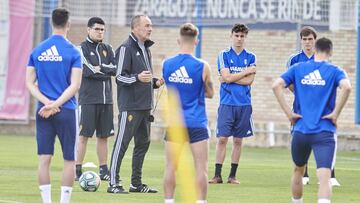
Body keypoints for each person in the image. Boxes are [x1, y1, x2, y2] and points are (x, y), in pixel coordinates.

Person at [272, 37, 351, 203]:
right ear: (330, 52)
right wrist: (335, 113)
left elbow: (276, 85)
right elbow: (347, 87)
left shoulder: (298, 68)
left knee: (298, 172)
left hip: (301, 130)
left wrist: (289, 114)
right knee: (324, 177)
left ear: (315, 50)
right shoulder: (335, 70)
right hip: (325, 131)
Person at [25, 8, 82, 203]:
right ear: (68, 24)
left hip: (43, 111)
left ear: (51, 23)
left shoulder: (38, 50)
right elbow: (75, 85)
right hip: (66, 110)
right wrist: (56, 104)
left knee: (44, 159)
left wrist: (47, 103)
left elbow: (29, 83)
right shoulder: (74, 51)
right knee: (69, 160)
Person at [107, 14, 163, 194]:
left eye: (151, 25)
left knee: (142, 145)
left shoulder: (146, 48)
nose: (150, 28)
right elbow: (119, 76)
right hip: (130, 107)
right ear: (135, 28)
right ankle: (113, 183)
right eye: (147, 25)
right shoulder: (125, 48)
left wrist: (154, 82)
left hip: (145, 107)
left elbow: (143, 78)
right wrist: (137, 78)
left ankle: (136, 184)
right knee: (121, 144)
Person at [162, 23, 215, 203]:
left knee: (171, 167)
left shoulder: (167, 65)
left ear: (179, 40)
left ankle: (169, 201)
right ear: (196, 41)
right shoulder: (203, 66)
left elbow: (168, 88)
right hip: (196, 122)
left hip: (175, 123)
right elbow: (210, 93)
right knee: (201, 168)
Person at [287, 26, 340, 186]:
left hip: (322, 109)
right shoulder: (294, 60)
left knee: (326, 137)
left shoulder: (323, 59)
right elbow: (288, 82)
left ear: (315, 41)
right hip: (301, 108)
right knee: (302, 137)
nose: (307, 42)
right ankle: (305, 174)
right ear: (301, 41)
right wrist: (304, 94)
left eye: (310, 39)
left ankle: (330, 175)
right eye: (304, 39)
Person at [209, 24, 256, 184]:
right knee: (222, 139)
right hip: (227, 104)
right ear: (231, 36)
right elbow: (227, 77)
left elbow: (250, 80)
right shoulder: (223, 55)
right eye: (237, 35)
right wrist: (245, 72)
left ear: (245, 38)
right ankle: (217, 175)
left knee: (238, 140)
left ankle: (232, 176)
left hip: (244, 105)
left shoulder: (251, 56)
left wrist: (230, 76)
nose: (239, 38)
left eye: (242, 36)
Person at [75, 17, 117, 181]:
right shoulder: (81, 49)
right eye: (97, 29)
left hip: (106, 100)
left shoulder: (109, 48)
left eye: (102, 29)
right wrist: (104, 71)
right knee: (84, 136)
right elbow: (88, 70)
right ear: (88, 30)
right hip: (88, 100)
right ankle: (77, 169)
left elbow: (116, 69)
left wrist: (103, 69)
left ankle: (103, 170)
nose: (100, 32)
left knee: (104, 137)